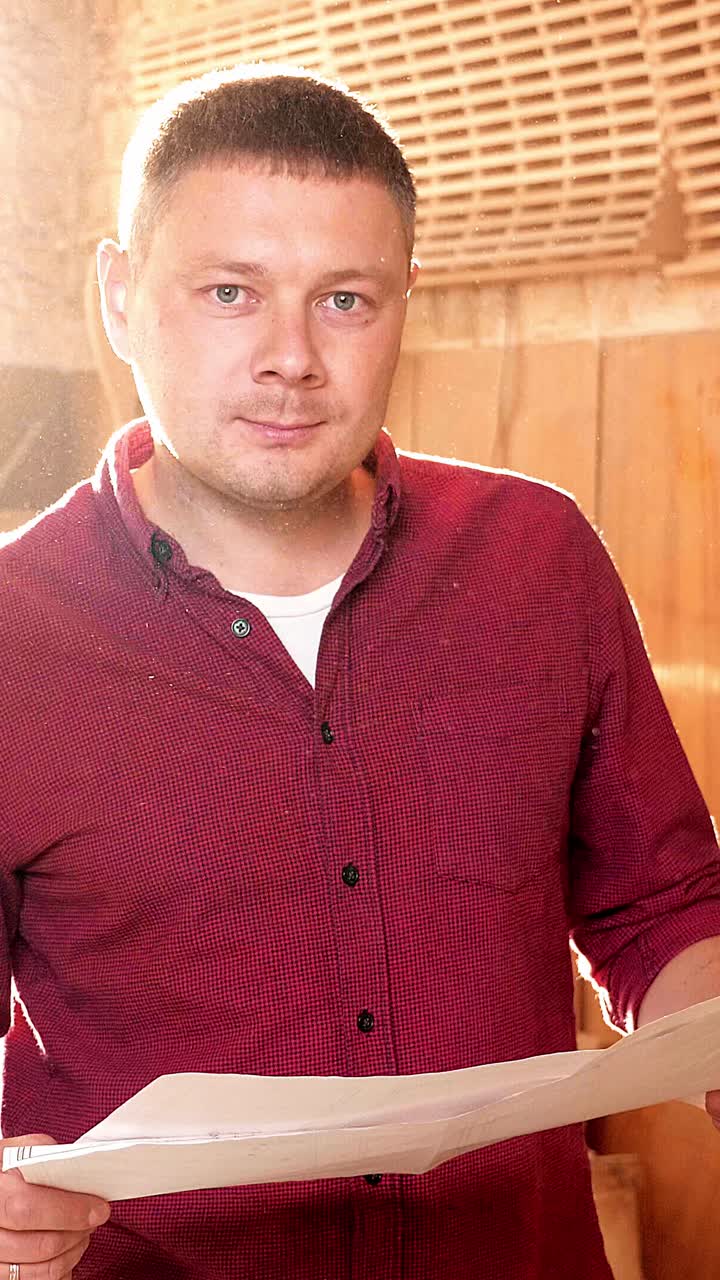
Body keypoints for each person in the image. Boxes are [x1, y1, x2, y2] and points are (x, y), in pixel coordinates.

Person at [1, 62, 719, 1280]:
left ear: (403, 305)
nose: (292, 357)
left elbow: (662, 910)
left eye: (344, 299)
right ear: (120, 297)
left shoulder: (539, 559)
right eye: (231, 292)